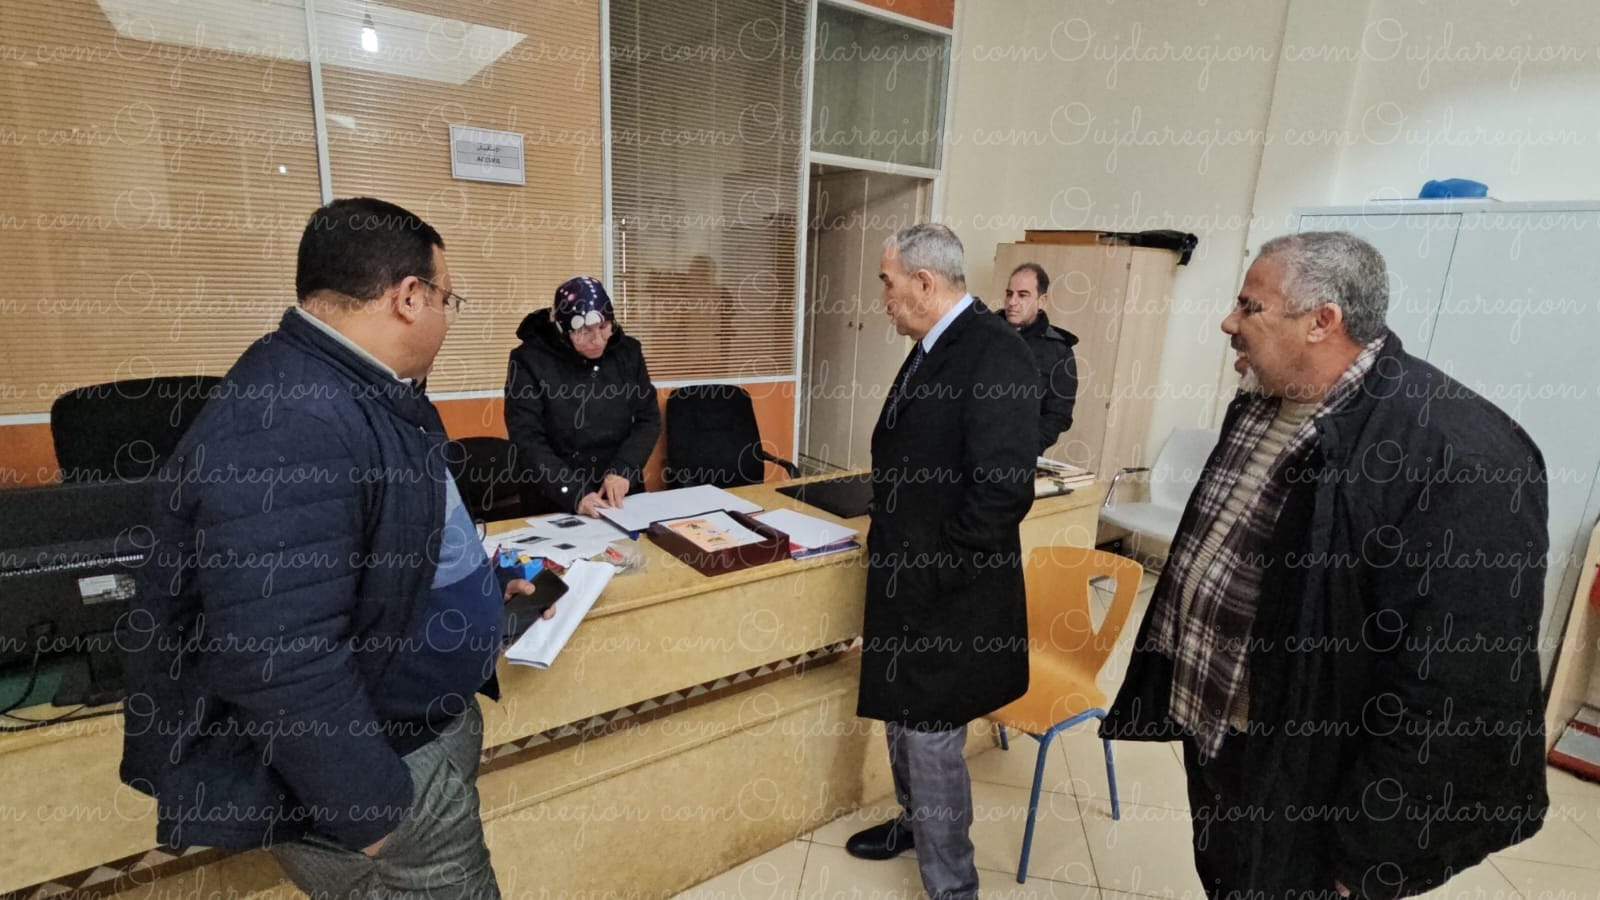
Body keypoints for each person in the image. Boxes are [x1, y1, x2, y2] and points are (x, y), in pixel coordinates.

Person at [120, 197, 548, 898]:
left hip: (415, 737)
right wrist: (376, 815)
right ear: (409, 297)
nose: (446, 315)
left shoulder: (362, 390)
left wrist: (477, 586)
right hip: (388, 780)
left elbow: (380, 548)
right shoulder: (287, 421)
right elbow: (276, 657)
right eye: (447, 298)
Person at [1102, 231, 1549, 900]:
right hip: (1224, 734)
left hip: (1314, 780)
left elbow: (1455, 690)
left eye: (1249, 306)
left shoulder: (1459, 458)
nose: (1228, 322)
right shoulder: (1263, 400)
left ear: (1322, 321)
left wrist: (1369, 855)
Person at [846, 224, 1039, 900]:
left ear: (925, 283)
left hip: (949, 592)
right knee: (901, 717)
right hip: (908, 578)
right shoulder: (933, 345)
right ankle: (913, 823)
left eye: (888, 282)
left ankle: (954, 888)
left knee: (930, 737)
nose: (883, 297)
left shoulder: (996, 353)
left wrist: (936, 574)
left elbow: (1002, 493)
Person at [505, 276, 661, 517]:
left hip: (619, 492)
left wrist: (624, 469)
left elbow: (648, 419)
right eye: (584, 331)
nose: (597, 340)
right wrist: (573, 493)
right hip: (554, 495)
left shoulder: (628, 352)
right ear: (562, 329)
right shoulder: (529, 360)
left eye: (603, 327)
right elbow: (526, 437)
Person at [1001, 262, 1079, 454]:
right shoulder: (983, 334)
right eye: (1009, 294)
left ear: (1042, 301)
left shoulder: (1059, 351)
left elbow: (1058, 415)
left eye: (1023, 295)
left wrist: (1026, 447)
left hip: (1017, 455)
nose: (1012, 302)